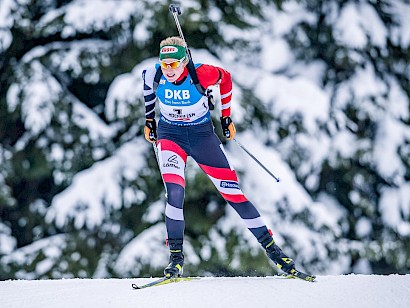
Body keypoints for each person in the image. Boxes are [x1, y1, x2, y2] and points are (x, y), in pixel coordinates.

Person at [142, 36, 296, 278]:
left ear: (184, 61)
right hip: (171, 136)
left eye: (173, 64)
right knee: (175, 192)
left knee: (234, 194)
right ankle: (176, 259)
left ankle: (274, 252)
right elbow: (148, 94)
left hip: (203, 137)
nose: (168, 70)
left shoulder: (202, 73)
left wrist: (226, 117)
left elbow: (226, 79)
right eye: (164, 65)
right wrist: (149, 120)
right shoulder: (153, 74)